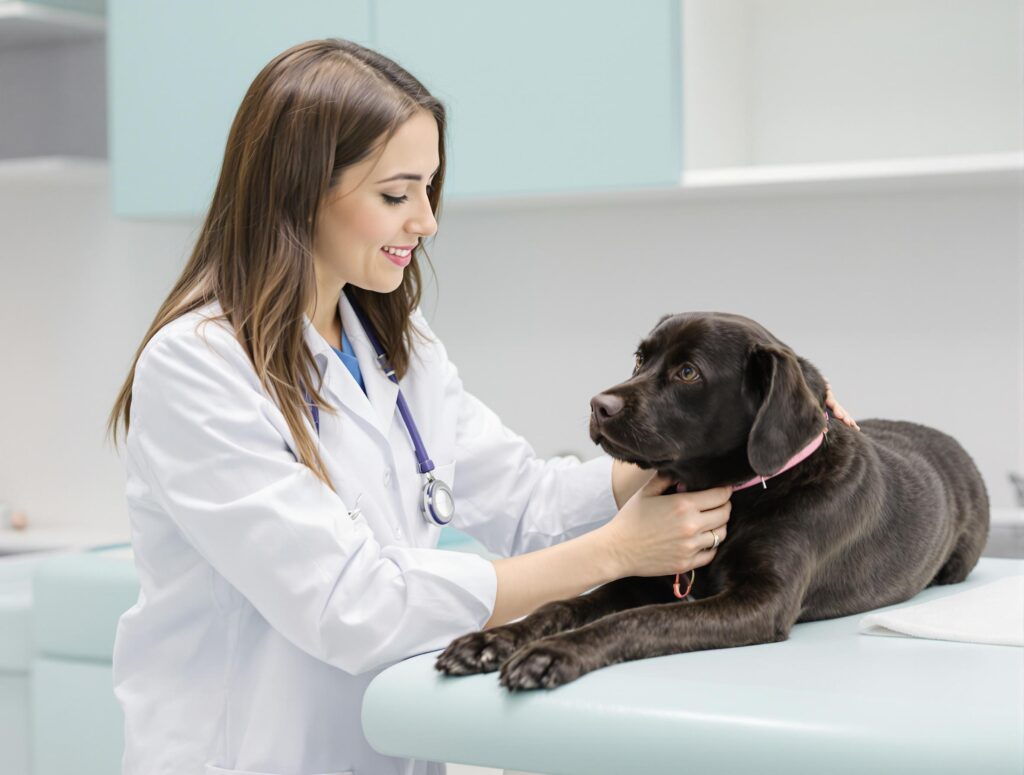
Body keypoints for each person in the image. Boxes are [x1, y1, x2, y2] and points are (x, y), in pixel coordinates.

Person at [105, 38, 857, 775]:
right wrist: (616, 553)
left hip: (392, 744)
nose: (426, 220)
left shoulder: (395, 341)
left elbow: (526, 502)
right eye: (396, 194)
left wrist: (748, 438)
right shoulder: (197, 368)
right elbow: (350, 605)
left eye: (429, 188)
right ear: (299, 191)